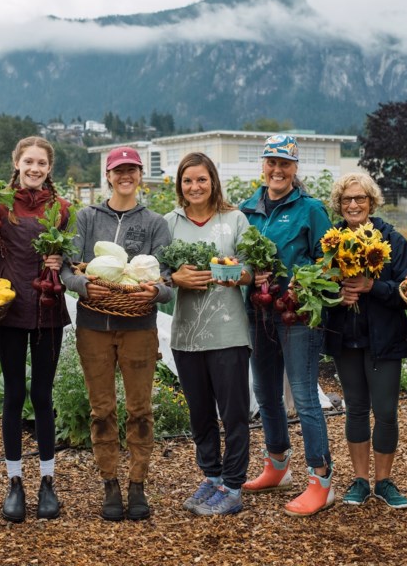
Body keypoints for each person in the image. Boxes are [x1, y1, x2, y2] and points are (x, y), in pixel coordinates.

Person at [60, 146, 173, 522]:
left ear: (140, 175)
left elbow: (169, 278)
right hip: (93, 327)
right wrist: (83, 285)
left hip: (139, 327)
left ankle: (137, 484)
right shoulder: (86, 217)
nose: (125, 176)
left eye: (132, 170)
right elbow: (66, 268)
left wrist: (155, 291)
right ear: (108, 175)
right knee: (102, 410)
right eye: (118, 170)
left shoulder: (155, 222)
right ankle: (110, 482)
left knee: (140, 410)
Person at [0, 136, 72, 522]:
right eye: (28, 161)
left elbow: (70, 260)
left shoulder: (62, 209)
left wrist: (59, 259)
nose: (34, 168)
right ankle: (14, 483)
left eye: (41, 163)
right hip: (9, 309)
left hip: (48, 309)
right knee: (13, 395)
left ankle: (48, 482)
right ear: (16, 163)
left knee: (43, 396)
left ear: (49, 168)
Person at [238, 134, 336, 517]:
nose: (277, 170)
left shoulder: (310, 209)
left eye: (285, 163)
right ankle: (277, 466)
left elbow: (330, 260)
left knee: (305, 396)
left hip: (297, 315)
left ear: (295, 169)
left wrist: (302, 278)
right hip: (258, 312)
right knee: (264, 392)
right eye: (271, 162)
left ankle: (321, 481)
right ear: (263, 166)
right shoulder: (247, 211)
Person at [164, 152, 252, 517]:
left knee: (233, 414)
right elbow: (156, 273)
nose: (195, 186)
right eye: (188, 181)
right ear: (180, 186)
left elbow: (251, 270)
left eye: (201, 179)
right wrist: (174, 278)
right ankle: (212, 477)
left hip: (228, 332)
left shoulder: (234, 220)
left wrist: (234, 273)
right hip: (186, 333)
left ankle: (233, 486)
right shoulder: (169, 222)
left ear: (213, 181)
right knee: (200, 413)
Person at [325, 173, 407, 509]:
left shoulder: (391, 239)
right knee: (356, 410)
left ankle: (384, 481)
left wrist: (371, 287)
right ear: (339, 204)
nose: (353, 205)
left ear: (371, 201)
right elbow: (317, 288)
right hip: (347, 338)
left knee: (387, 411)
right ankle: (361, 481)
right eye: (347, 199)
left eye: (360, 198)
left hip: (385, 338)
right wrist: (337, 295)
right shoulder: (329, 243)